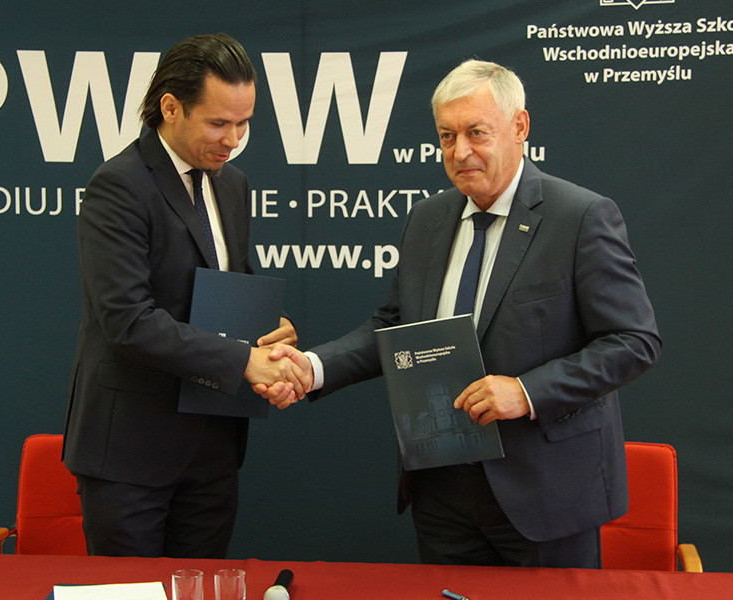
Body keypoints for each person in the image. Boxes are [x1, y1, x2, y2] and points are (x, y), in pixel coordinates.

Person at [258, 59, 661, 568]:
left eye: (476, 132)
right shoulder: (427, 218)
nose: (459, 151)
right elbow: (395, 327)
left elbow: (633, 341)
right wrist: (312, 367)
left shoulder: (580, 216)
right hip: (441, 490)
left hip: (545, 492)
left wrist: (526, 391)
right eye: (447, 136)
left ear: (520, 126)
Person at [63, 33, 308, 558]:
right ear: (171, 107)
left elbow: (232, 279)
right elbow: (127, 321)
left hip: (214, 447)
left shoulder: (233, 184)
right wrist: (244, 360)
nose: (233, 139)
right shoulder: (119, 185)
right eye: (219, 123)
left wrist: (272, 328)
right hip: (130, 454)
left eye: (244, 123)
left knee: (203, 589)